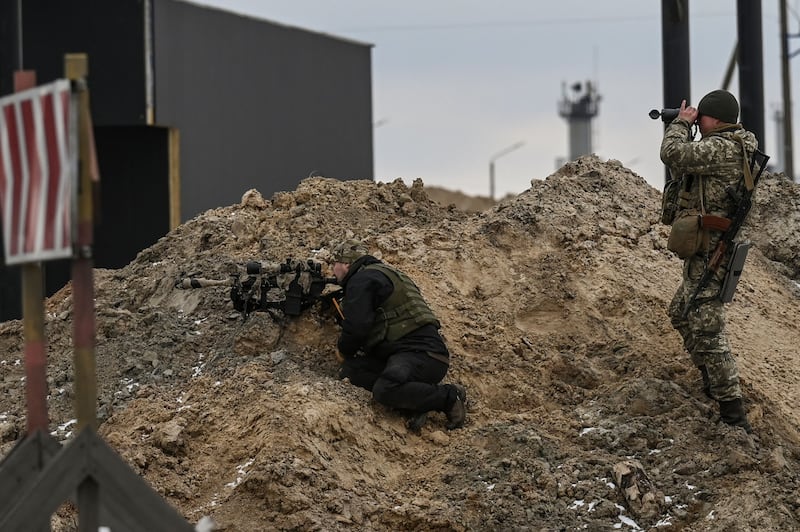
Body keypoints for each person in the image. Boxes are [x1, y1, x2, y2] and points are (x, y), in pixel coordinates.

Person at [660, 89, 758, 433]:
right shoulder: (732, 145)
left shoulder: (722, 147)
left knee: (709, 329)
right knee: (681, 312)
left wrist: (679, 124)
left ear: (714, 119)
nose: (698, 120)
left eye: (702, 117)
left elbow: (672, 154)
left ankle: (734, 414)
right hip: (706, 248)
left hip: (713, 251)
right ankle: (710, 382)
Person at [329, 238, 467, 430]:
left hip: (421, 355)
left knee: (385, 389)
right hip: (411, 356)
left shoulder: (361, 281)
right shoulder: (383, 274)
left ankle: (449, 397)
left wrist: (344, 350)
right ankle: (417, 400)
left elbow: (357, 327)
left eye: (333, 264)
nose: (332, 270)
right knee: (352, 371)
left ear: (346, 264)